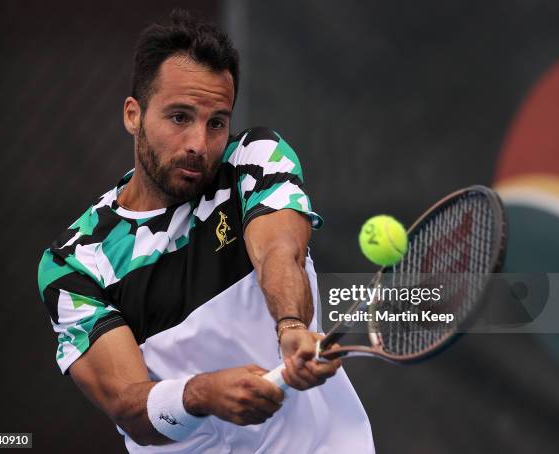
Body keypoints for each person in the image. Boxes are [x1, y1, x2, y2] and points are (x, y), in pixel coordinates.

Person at [37, 10, 374, 453]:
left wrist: (291, 325)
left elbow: (279, 251)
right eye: (180, 117)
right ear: (133, 114)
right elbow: (128, 406)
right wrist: (202, 395)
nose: (199, 142)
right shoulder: (76, 263)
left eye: (217, 122)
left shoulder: (253, 160)